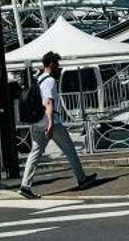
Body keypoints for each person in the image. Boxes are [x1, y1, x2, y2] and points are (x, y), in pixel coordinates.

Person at [18, 52, 94, 199]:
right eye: (57, 65)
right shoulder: (50, 81)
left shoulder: (38, 79)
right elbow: (49, 102)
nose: (58, 68)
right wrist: (51, 123)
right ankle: (82, 179)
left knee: (35, 153)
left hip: (37, 122)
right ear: (52, 65)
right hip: (50, 121)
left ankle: (25, 185)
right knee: (70, 150)